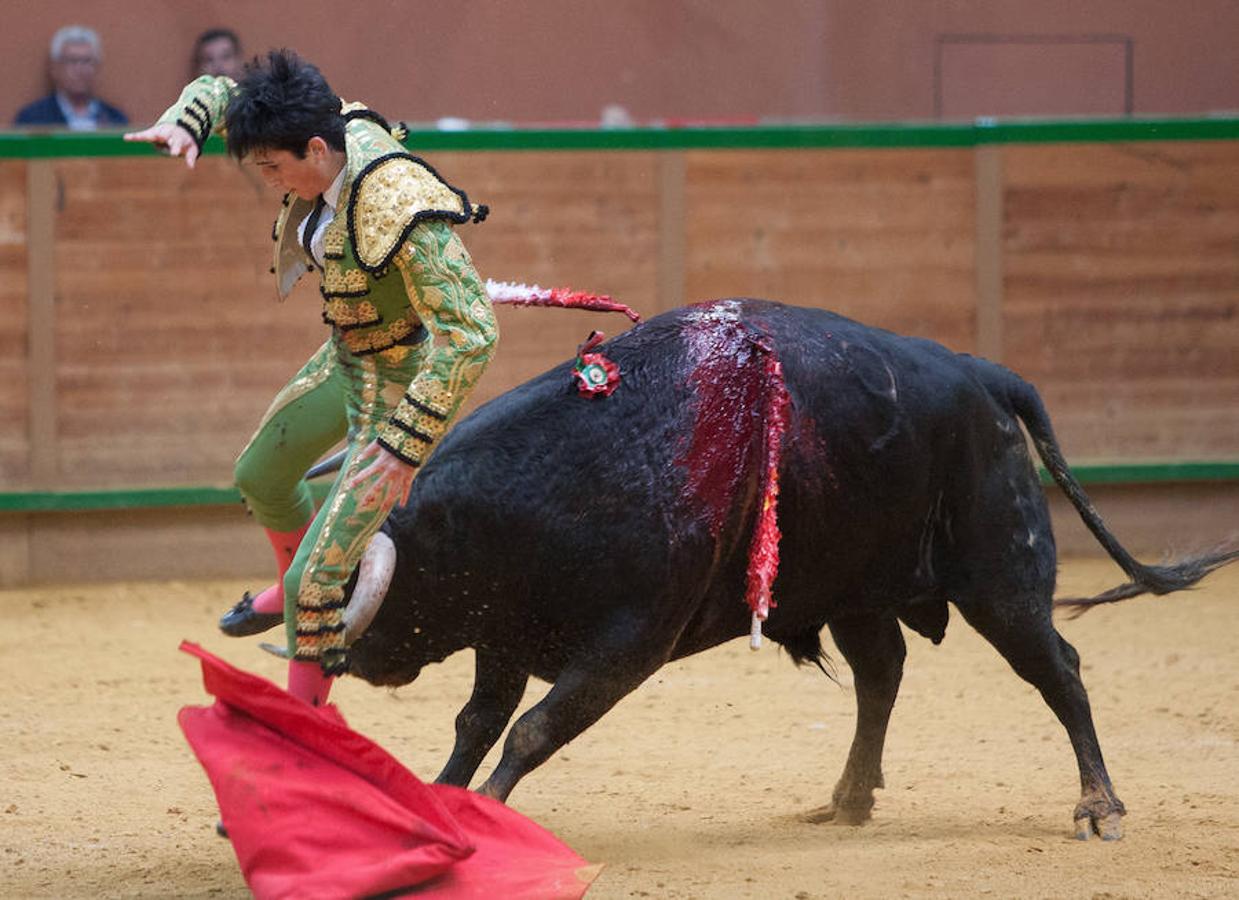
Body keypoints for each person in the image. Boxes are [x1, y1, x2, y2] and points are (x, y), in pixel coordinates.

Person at [125, 50, 498, 706]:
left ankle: (308, 735)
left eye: (272, 167)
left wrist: (402, 443)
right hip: (348, 353)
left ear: (317, 150)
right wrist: (188, 122)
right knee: (260, 476)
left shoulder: (396, 198)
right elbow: (223, 86)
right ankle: (295, 589)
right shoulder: (317, 125)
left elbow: (472, 332)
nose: (268, 179)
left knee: (314, 584)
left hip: (399, 380)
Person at [13, 25, 128, 129]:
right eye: (72, 61)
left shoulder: (115, 120)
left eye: (86, 61)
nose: (80, 69)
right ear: (54, 68)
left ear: (97, 67)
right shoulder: (32, 120)